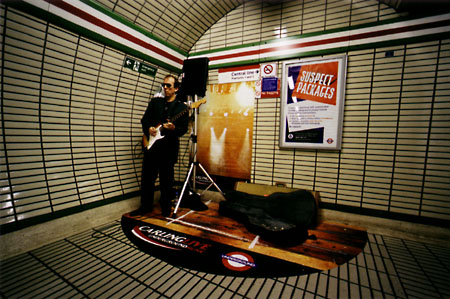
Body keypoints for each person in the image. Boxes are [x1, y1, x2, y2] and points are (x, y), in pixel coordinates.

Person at [134, 74, 189, 217]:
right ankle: (145, 207)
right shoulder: (155, 102)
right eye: (163, 85)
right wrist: (149, 128)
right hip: (151, 147)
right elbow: (144, 120)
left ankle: (166, 209)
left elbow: (183, 129)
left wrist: (173, 129)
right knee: (147, 180)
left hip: (168, 150)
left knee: (166, 181)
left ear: (176, 88)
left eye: (168, 85)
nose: (165, 88)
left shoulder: (181, 108)